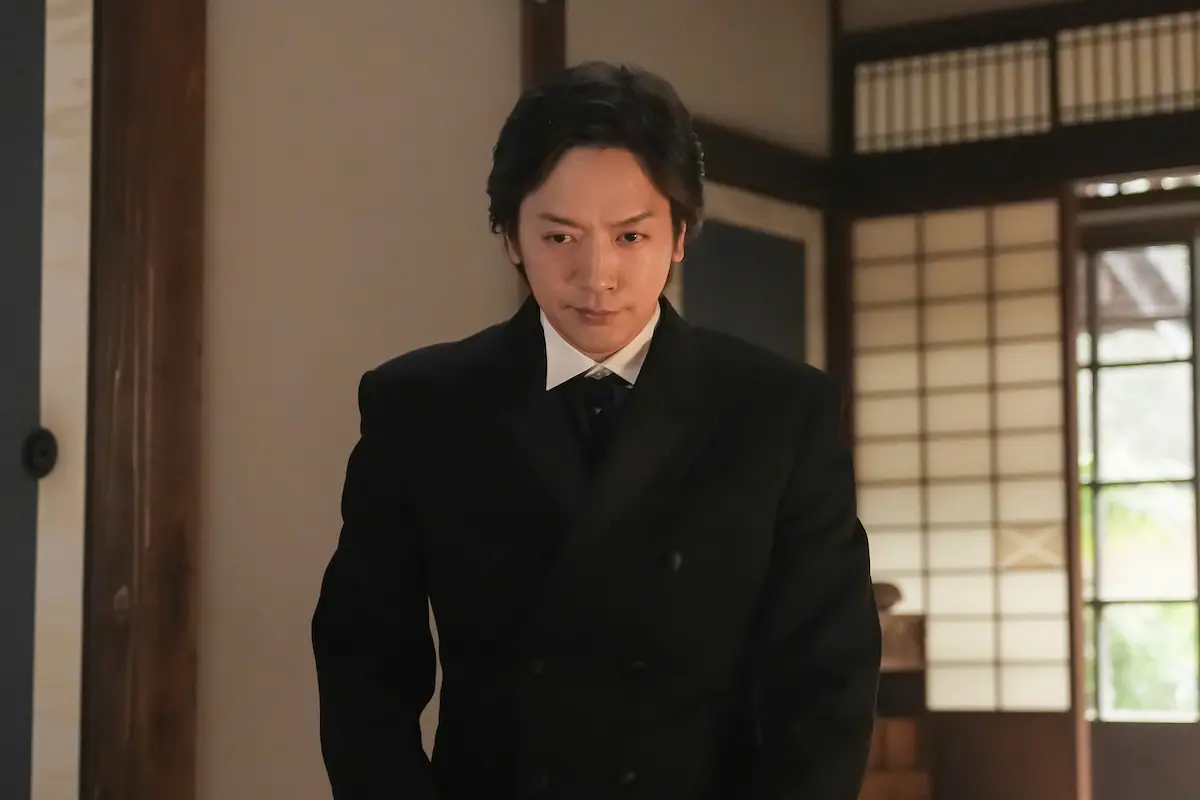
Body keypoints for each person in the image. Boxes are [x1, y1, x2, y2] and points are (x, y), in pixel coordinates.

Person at [312, 61, 881, 799]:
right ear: (510, 237)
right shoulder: (420, 406)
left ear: (680, 235)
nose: (597, 274)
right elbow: (362, 668)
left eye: (630, 236)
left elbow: (829, 681)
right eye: (560, 237)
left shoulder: (778, 411)